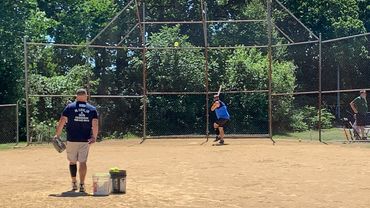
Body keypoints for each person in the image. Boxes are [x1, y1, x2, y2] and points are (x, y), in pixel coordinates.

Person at [53, 89, 99, 192]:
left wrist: (57, 135)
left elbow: (62, 121)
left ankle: (74, 183)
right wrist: (94, 137)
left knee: (72, 161)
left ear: (76, 96)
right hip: (85, 140)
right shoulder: (92, 109)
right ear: (86, 96)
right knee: (83, 162)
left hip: (72, 139)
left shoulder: (70, 107)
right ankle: (82, 185)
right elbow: (95, 124)